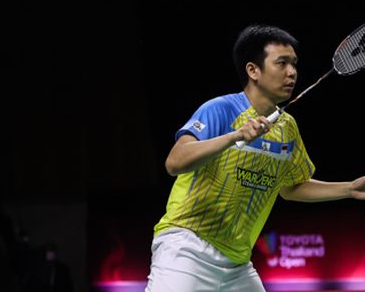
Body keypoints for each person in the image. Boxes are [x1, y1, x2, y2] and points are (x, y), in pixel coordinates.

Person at [146, 24, 365, 292]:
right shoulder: (221, 109)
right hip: (186, 246)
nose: (292, 72)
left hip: (237, 263)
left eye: (294, 64)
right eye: (282, 63)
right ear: (253, 70)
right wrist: (234, 136)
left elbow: (291, 187)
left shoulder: (287, 128)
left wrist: (350, 189)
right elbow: (175, 162)